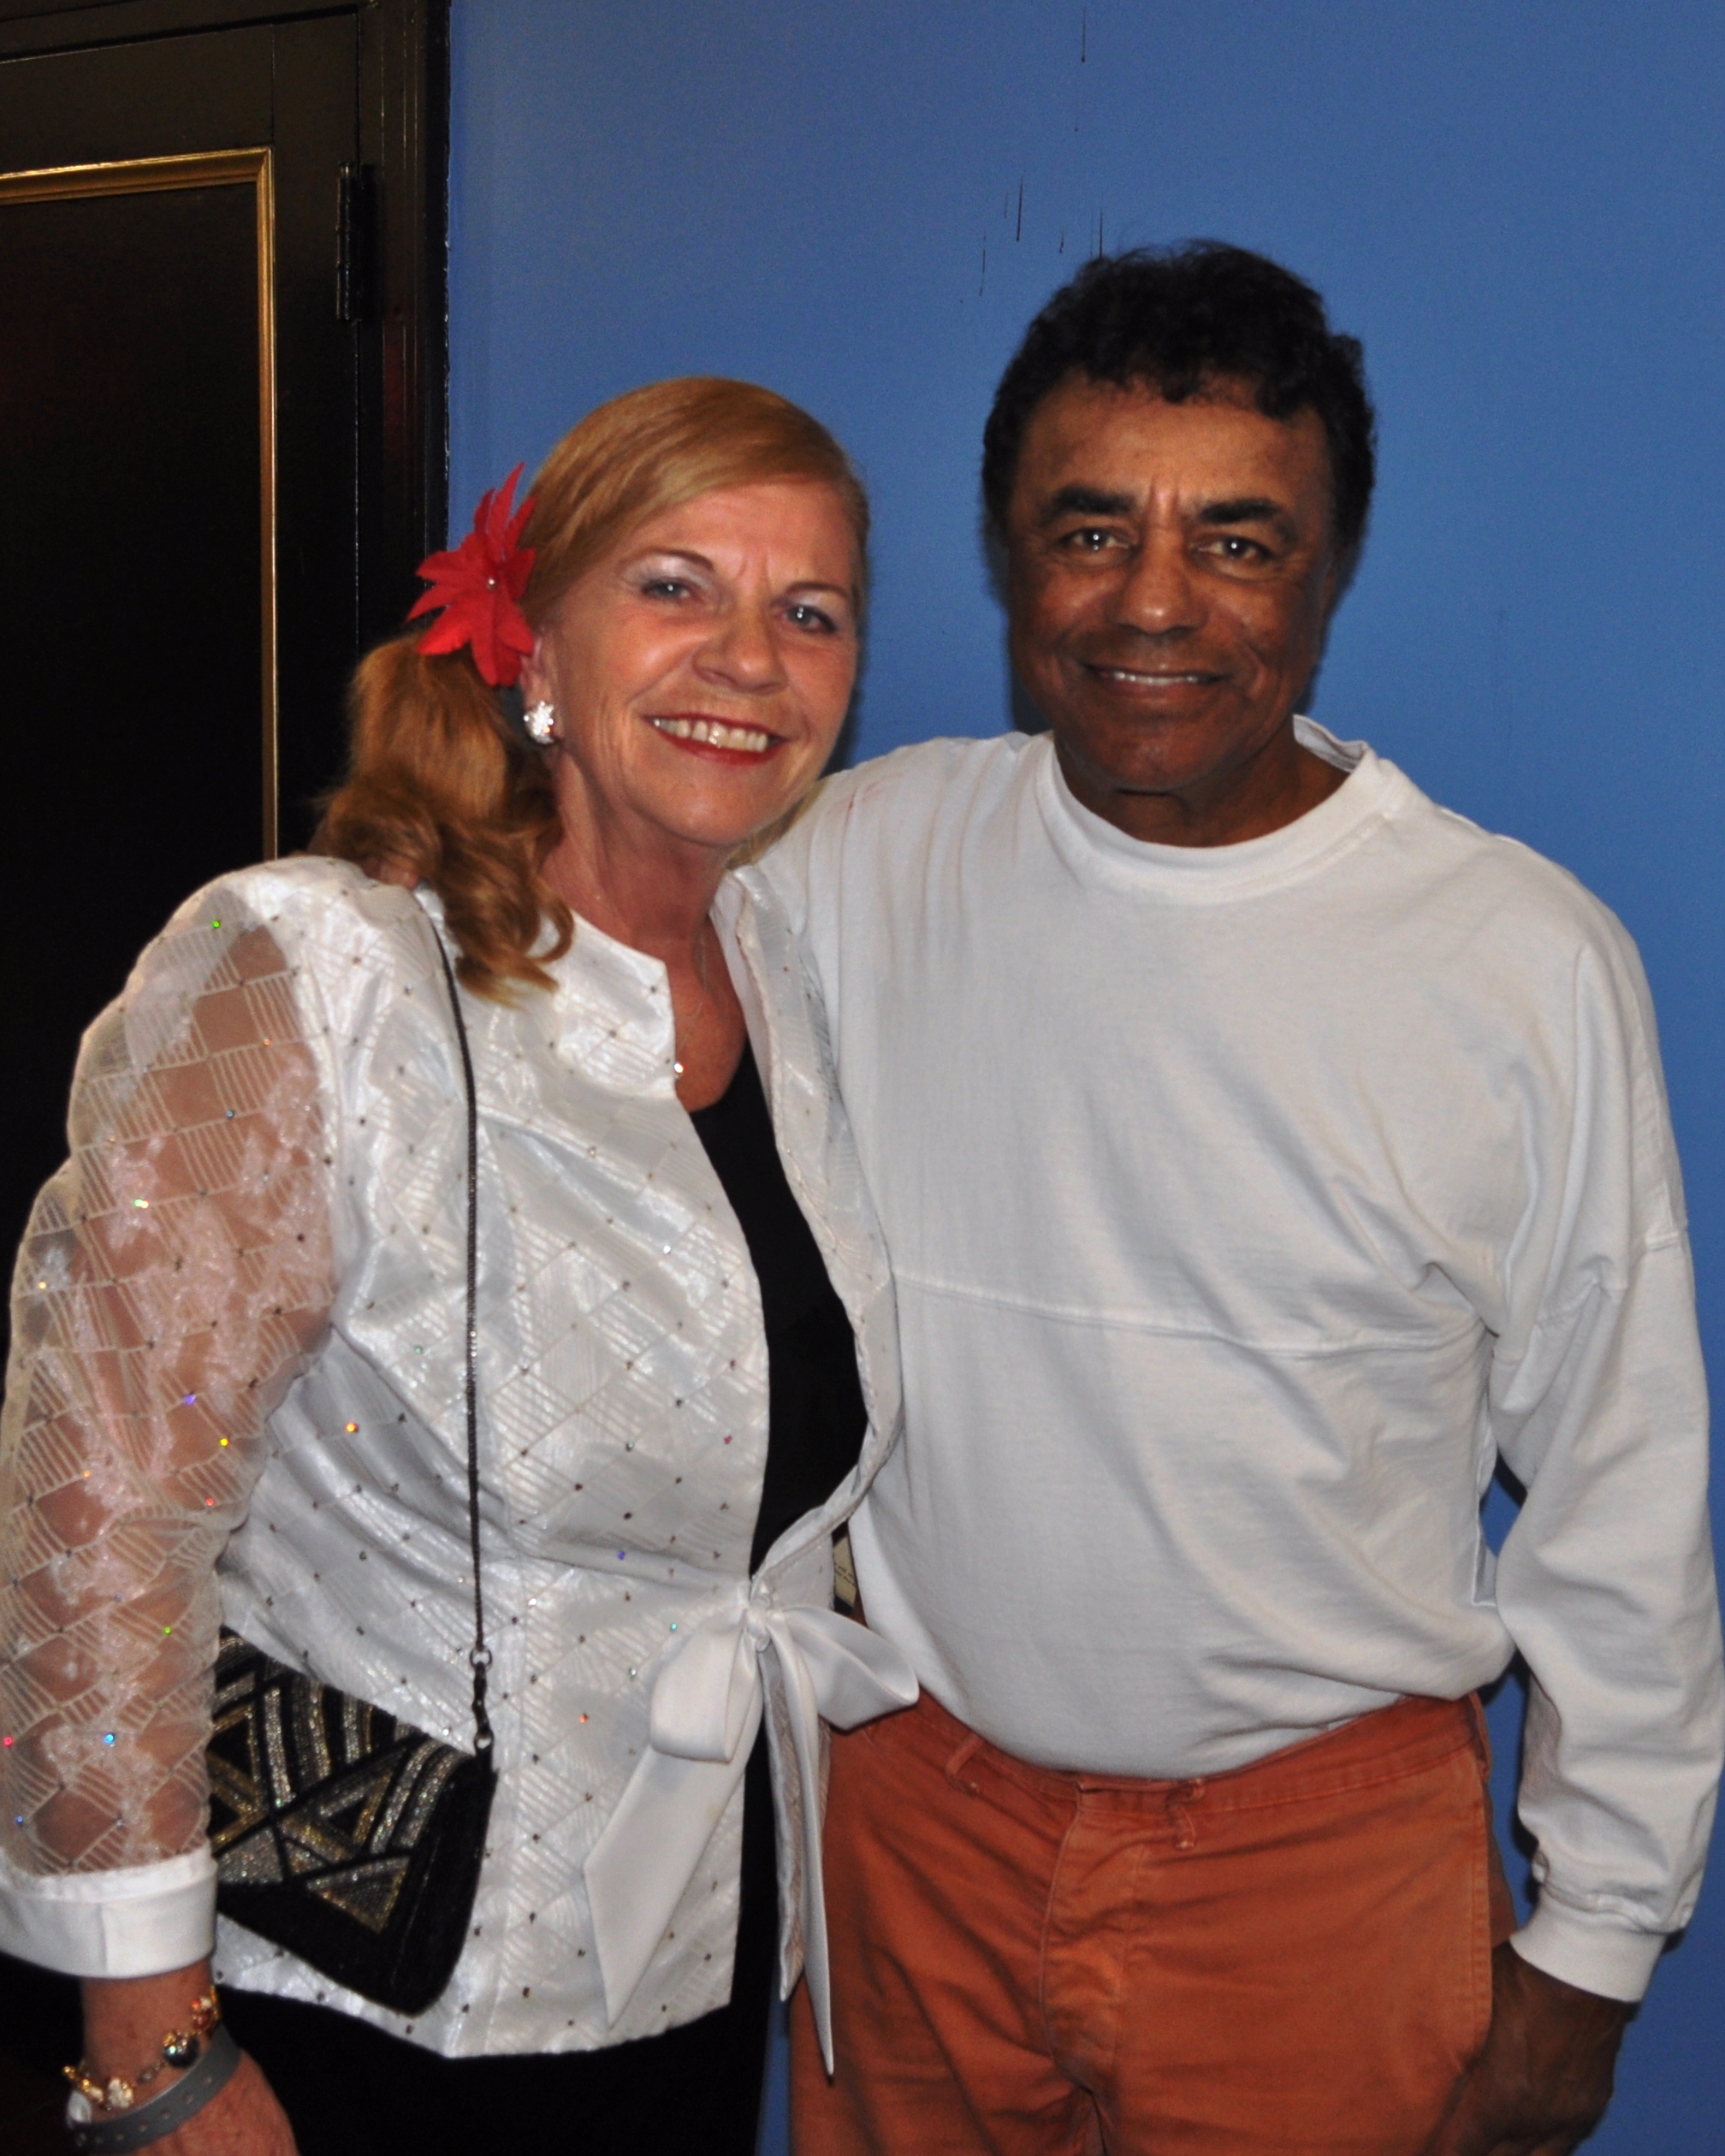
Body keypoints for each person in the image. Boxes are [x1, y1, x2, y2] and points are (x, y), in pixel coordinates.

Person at [767, 245, 1723, 2154]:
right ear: (1011, 556)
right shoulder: (854, 859)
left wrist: (1596, 1946)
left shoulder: (1519, 963)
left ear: (1328, 571)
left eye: (1238, 541)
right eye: (1091, 529)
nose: (1153, 601)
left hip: (1321, 1871)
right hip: (915, 1829)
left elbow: (1623, 1489)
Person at [0, 375, 915, 2156]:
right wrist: (145, 2041)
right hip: (368, 1983)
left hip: (692, 1943)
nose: (748, 657)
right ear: (536, 645)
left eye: (810, 613)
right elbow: (98, 1513)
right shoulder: (322, 972)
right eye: (675, 586)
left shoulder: (775, 976)